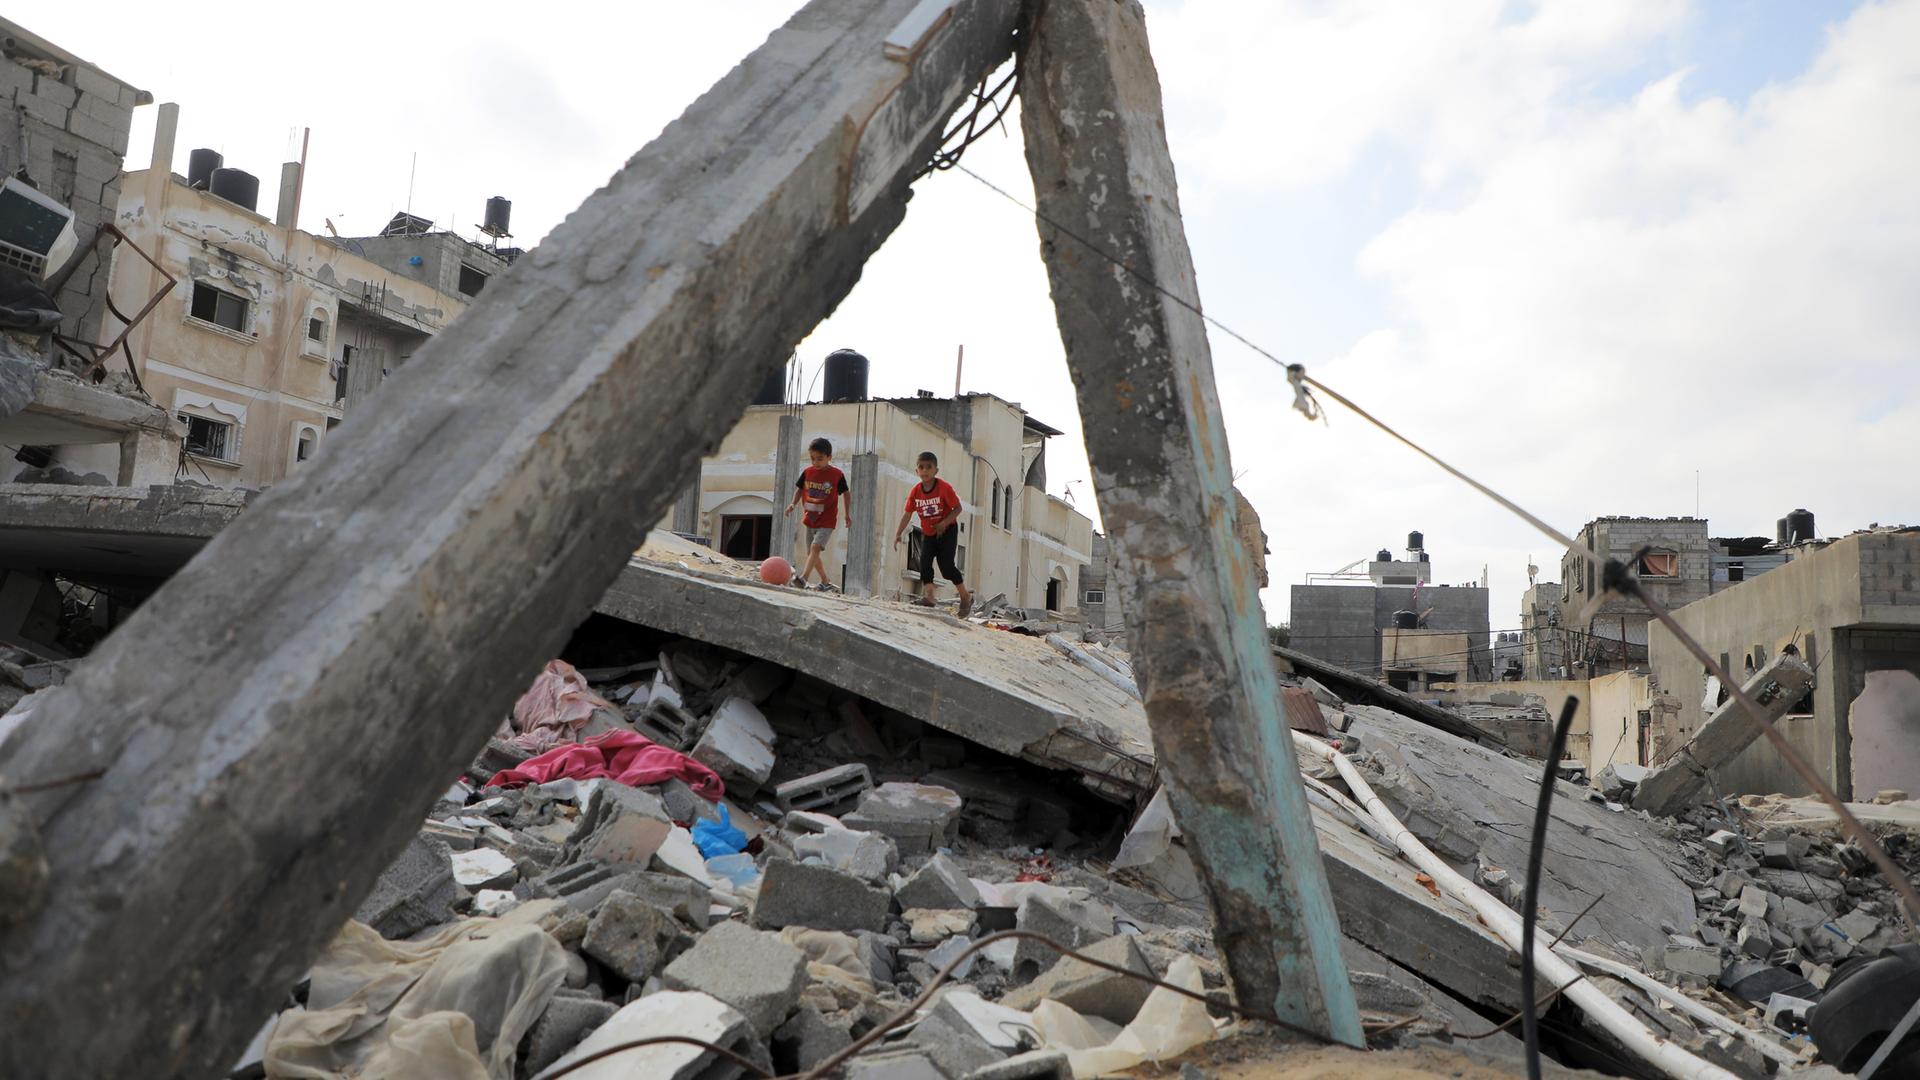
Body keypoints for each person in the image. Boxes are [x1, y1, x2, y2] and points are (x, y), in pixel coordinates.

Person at [893, 451, 973, 617]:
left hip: (947, 530)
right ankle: (929, 597)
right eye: (921, 467)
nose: (925, 470)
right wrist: (898, 533)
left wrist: (944, 523)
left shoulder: (944, 488)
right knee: (924, 563)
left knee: (947, 568)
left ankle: (965, 596)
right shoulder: (915, 492)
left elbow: (958, 508)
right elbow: (907, 514)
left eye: (929, 467)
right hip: (929, 532)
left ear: (936, 470)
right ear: (917, 471)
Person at [785, 437, 850, 590]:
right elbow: (800, 489)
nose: (816, 462)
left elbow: (846, 494)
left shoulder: (837, 475)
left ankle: (803, 578)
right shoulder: (807, 472)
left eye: (820, 459)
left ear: (829, 457)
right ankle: (825, 581)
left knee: (815, 548)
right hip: (810, 519)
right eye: (813, 459)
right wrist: (792, 504)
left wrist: (847, 514)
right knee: (812, 553)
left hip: (827, 520)